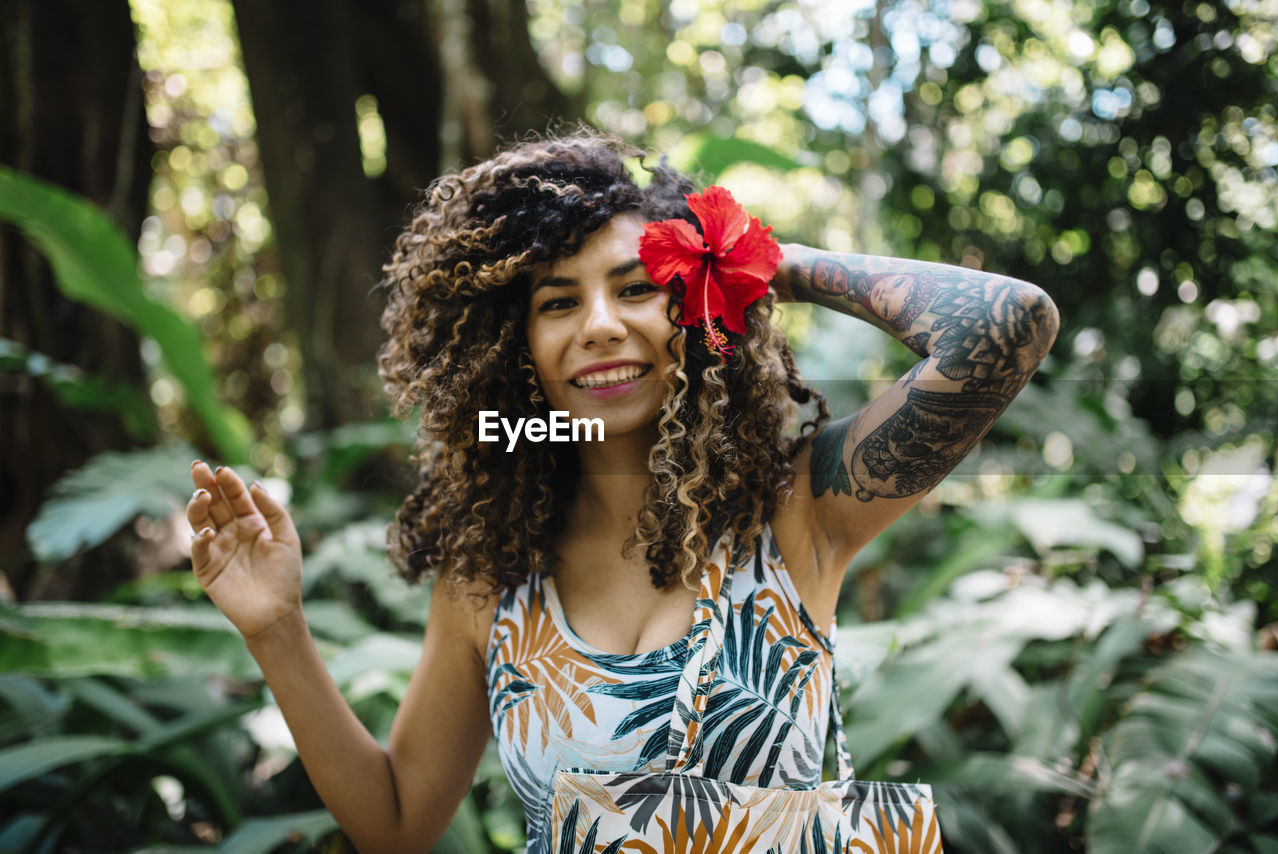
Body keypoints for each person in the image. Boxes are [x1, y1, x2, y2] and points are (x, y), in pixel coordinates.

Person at [186, 128, 1058, 853]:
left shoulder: (799, 510)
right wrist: (278, 629)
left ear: (693, 306)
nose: (601, 326)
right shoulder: (490, 577)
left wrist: (762, 264)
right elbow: (400, 823)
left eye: (638, 287)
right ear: (515, 351)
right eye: (558, 303)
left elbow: (1005, 325)